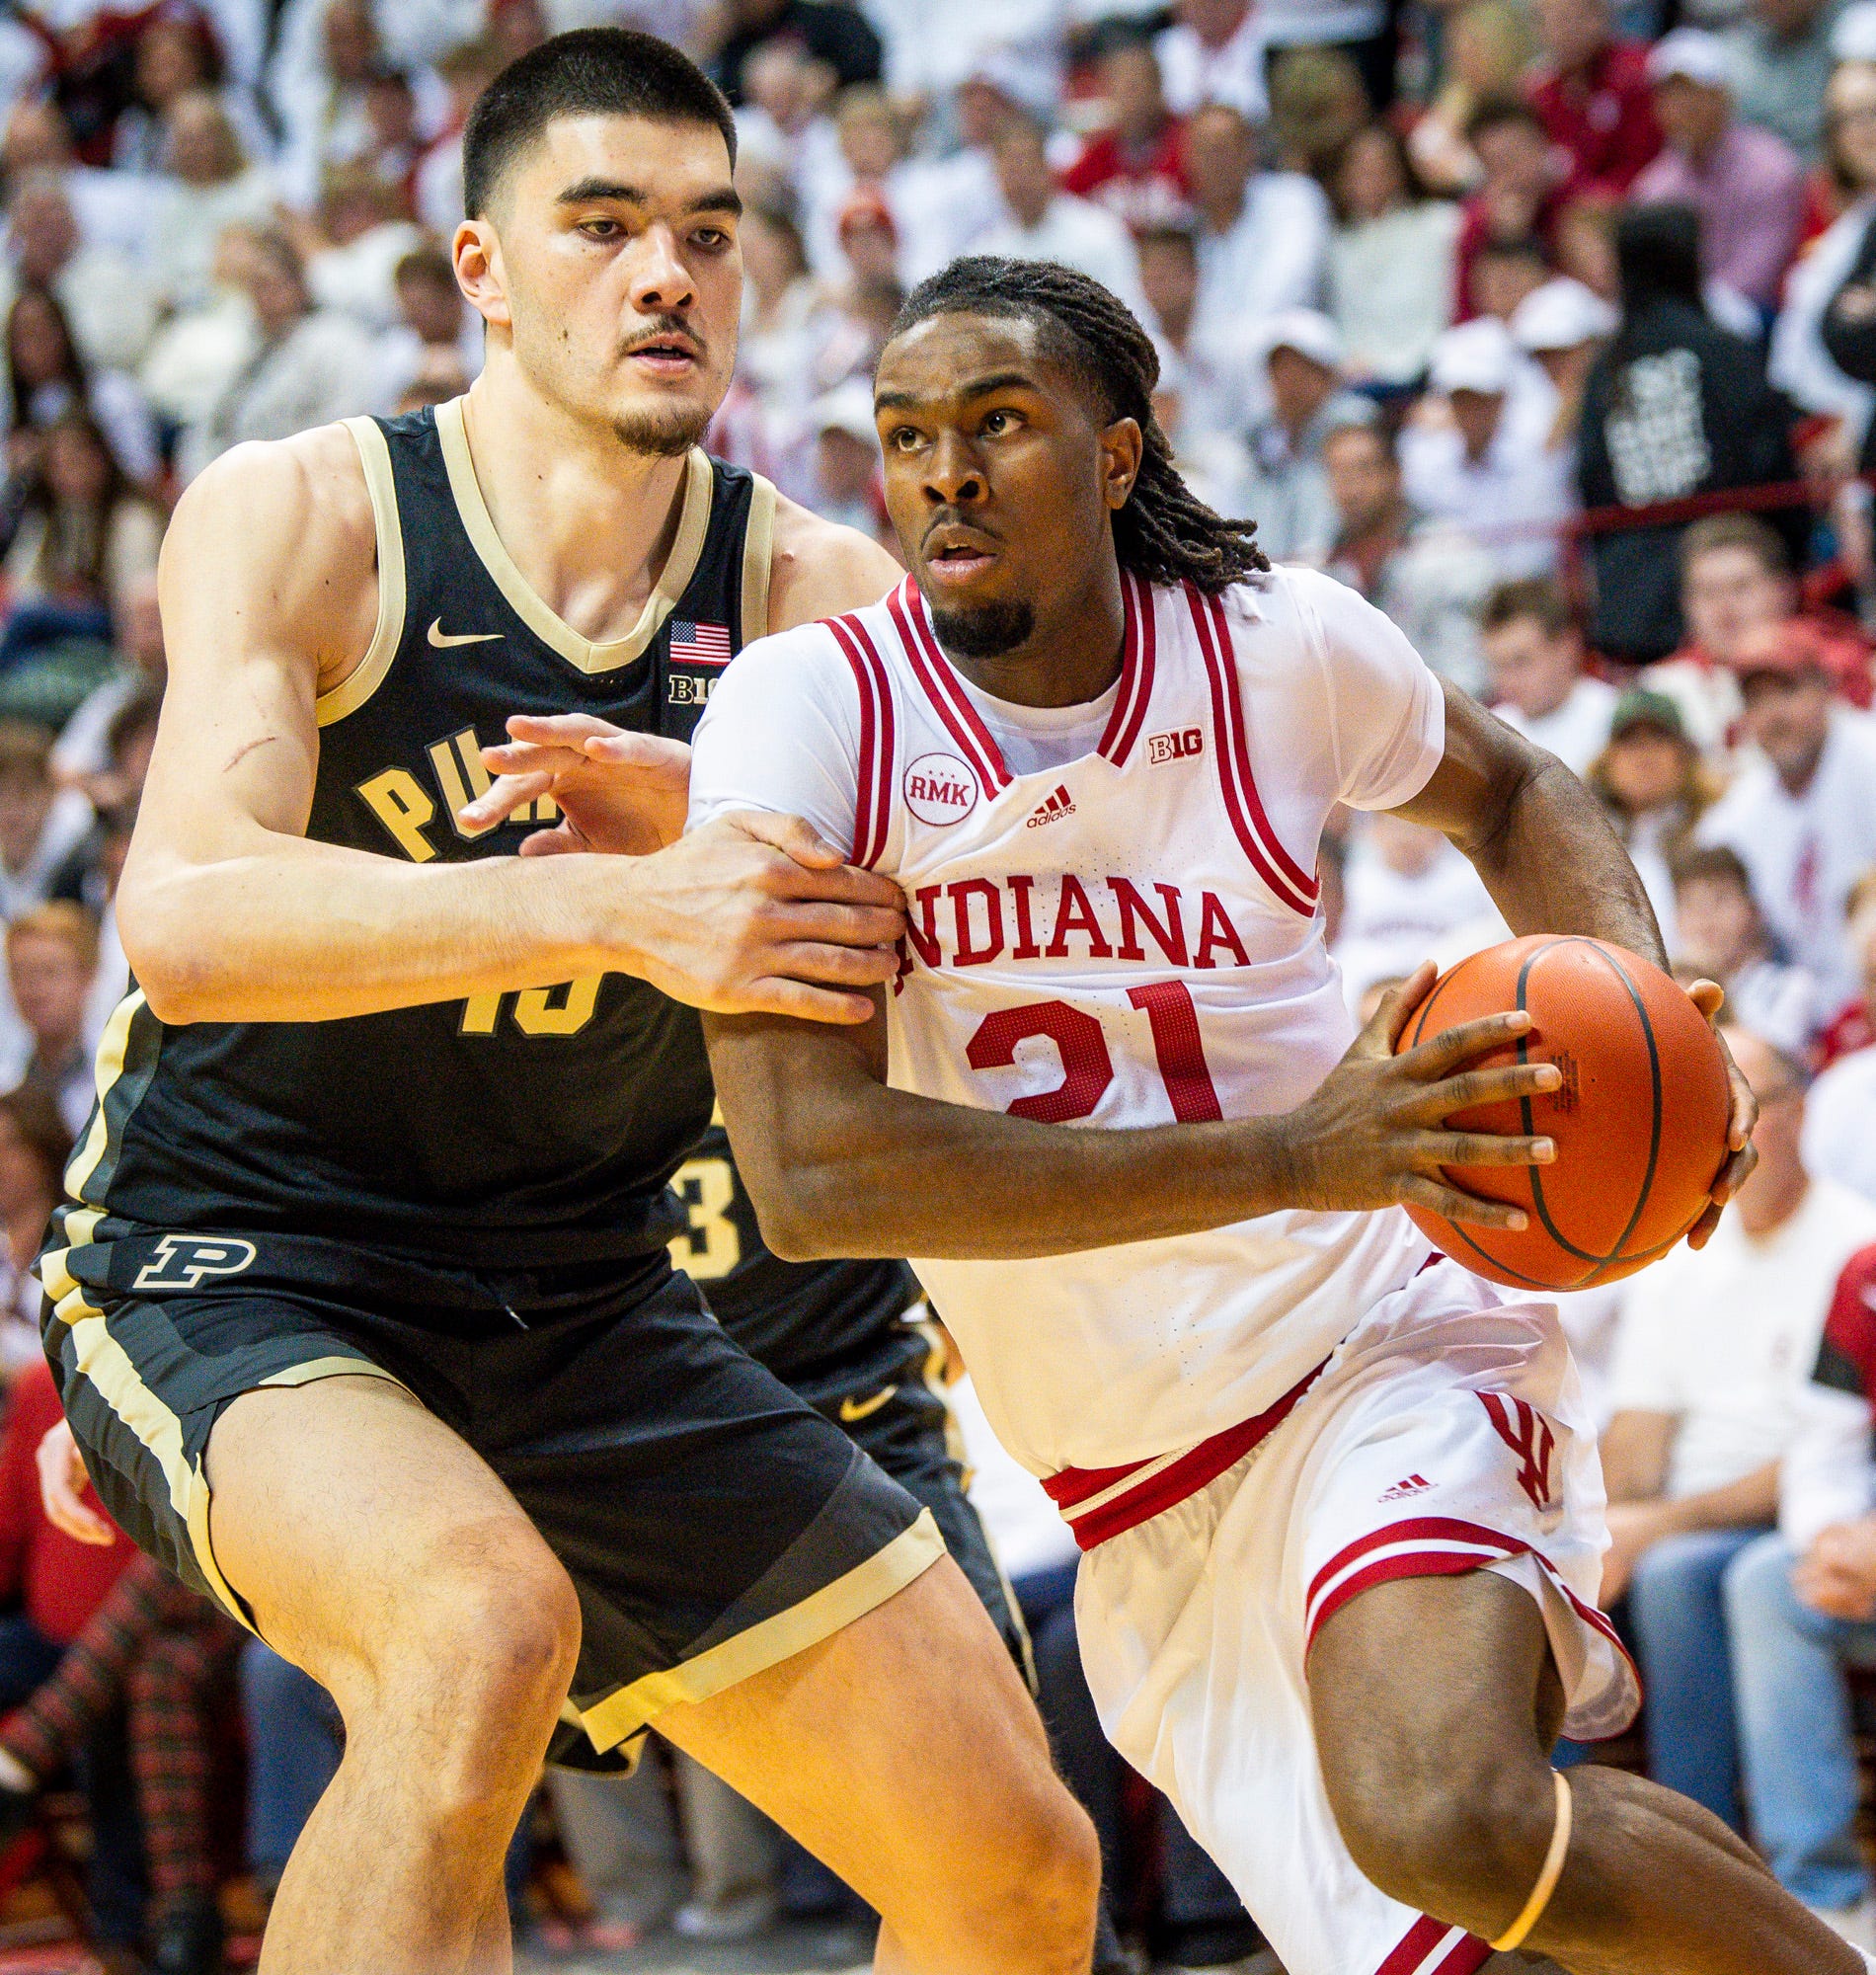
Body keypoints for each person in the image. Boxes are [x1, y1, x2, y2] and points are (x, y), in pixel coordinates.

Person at [32, 33, 1100, 1975]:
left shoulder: (815, 597)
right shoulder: (308, 514)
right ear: (481, 267)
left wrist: (708, 819)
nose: (664, 275)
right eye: (601, 228)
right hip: (244, 1267)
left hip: (587, 1297)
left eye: (707, 230)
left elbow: (996, 931)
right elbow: (188, 914)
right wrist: (628, 904)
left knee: (1016, 1861)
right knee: (471, 1631)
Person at [664, 252, 1868, 1975]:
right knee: (1497, 1904)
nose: (943, 472)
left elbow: (1519, 783)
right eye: (907, 432)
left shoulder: (1272, 646)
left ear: (1118, 457)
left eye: (998, 424)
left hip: (1367, 1336)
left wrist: (1648, 1020)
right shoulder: (813, 712)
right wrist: (1297, 1150)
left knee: (1445, 1809)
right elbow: (808, 1169)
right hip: (1134, 1485)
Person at [1597, 1028, 1876, 1833]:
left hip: (1805, 1510)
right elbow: (1639, 1438)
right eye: (1711, 1108)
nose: (1730, 1129)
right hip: (1695, 1517)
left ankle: (1785, 1874)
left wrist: (1658, 1526)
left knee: (1689, 1572)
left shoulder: (1853, 1245)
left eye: (1747, 1105)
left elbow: (1833, 1450)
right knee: (1564, 1567)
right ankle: (1681, 1854)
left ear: (1797, 1111)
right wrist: (1590, 1528)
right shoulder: (1679, 1250)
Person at [1723, 1238, 1876, 1945]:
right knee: (1767, 1583)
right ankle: (1823, 1901)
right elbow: (1824, 1443)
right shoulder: (1865, 1274)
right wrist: (1836, 1544)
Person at [1578, 202, 1799, 663]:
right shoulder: (1721, 349)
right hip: (1735, 588)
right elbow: (1770, 459)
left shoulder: (1605, 369)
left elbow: (1591, 481)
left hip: (1633, 604)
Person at [1696, 620, 1876, 1008]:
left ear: (1826, 689)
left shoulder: (1869, 757)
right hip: (1797, 1021)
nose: (1774, 715)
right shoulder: (1733, 819)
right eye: (1757, 700)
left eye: (1787, 691)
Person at [1631, 30, 1806, 311]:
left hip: (1757, 316)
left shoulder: (1770, 166)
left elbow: (1759, 275)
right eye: (1670, 95)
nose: (1683, 106)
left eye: (1693, 92)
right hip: (1684, 316)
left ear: (1723, 94)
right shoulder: (1653, 188)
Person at [1319, 418, 1495, 693]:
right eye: (1338, 474)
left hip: (1445, 719)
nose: (1351, 489)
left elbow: (1472, 672)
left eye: (1364, 471)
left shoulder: (1449, 550)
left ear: (1396, 473)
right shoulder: (1318, 566)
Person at [1400, 318, 1575, 579]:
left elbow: (1533, 563)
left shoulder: (1536, 467)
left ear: (1503, 399)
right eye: (1461, 398)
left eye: (1481, 398)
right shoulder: (1422, 461)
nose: (1471, 411)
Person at [1184, 102, 1332, 353]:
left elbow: (1287, 294)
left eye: (1223, 149)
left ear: (1249, 152)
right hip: (1212, 373)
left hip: (1285, 358)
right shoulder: (1186, 229)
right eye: (1204, 151)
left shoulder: (1294, 197)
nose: (1214, 162)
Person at [1325, 121, 1460, 388]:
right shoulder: (1338, 242)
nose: (1369, 178)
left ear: (1401, 171)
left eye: (1380, 167)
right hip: (1359, 378)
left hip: (1433, 372)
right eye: (1359, 168)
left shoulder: (1441, 222)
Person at [1584, 688, 1717, 944]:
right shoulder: (1588, 840)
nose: (1644, 756)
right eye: (1631, 743)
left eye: (1658, 741)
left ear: (1683, 756)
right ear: (1608, 760)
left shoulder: (1714, 829)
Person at [1672, 843, 1820, 1060]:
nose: (1705, 918)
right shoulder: (1670, 988)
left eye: (1720, 899)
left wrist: (1706, 977)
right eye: (1690, 904)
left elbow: (1760, 1069)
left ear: (1751, 909)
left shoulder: (1792, 987)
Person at [1238, 312, 1361, 564]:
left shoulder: (1353, 423)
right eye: (1280, 371)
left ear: (1327, 375)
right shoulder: (1258, 436)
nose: (1290, 382)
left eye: (1301, 370)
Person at [1478, 577, 1618, 775]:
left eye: (1521, 661)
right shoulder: (1489, 736)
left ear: (1567, 648)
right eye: (1498, 666)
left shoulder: (1614, 719)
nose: (1507, 682)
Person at [1525, 0, 1663, 195]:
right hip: (1567, 212)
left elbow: (1647, 164)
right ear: (1540, 29)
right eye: (1561, 21)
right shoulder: (1538, 94)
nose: (1572, 30)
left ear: (1603, 17)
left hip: (1636, 205)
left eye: (1581, 17)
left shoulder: (1640, 73)